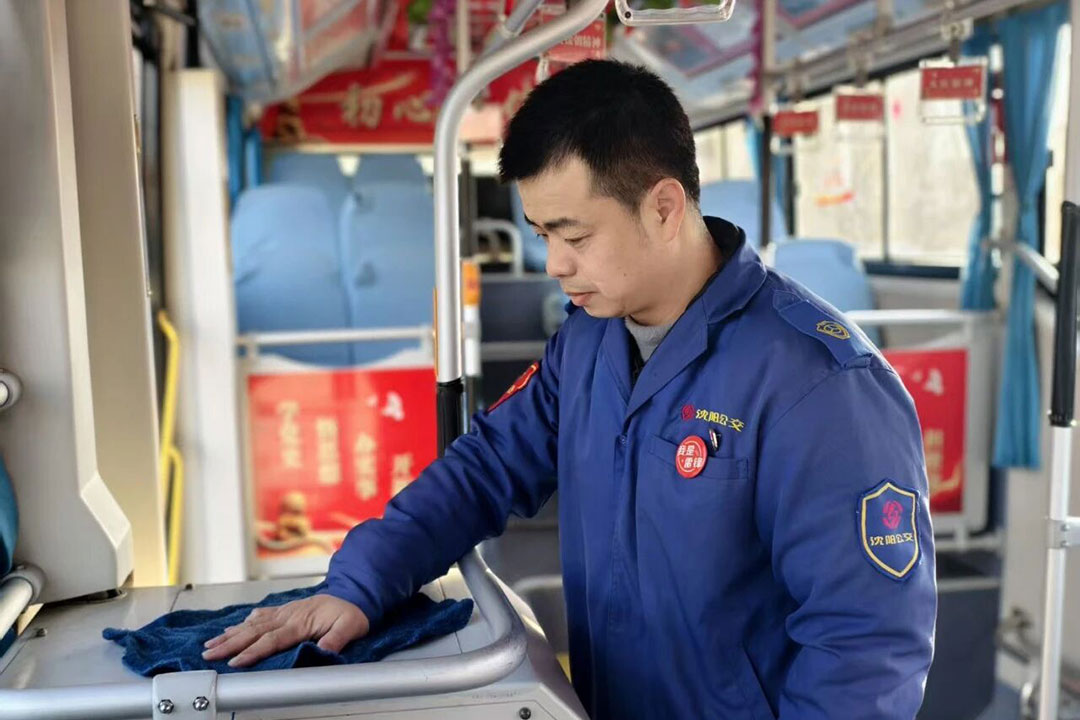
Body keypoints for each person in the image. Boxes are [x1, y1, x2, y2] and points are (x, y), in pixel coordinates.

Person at [204, 59, 936, 719]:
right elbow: (488, 465)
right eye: (541, 234)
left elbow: (865, 646)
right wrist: (360, 583)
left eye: (575, 236)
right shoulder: (589, 342)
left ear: (664, 208)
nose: (554, 263)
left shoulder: (819, 386)